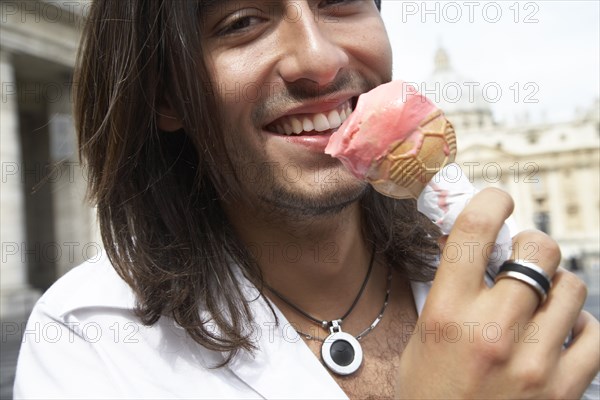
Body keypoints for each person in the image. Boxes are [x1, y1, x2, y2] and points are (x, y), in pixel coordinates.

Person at [14, 0, 599, 398]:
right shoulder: (86, 340)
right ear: (167, 97)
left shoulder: (505, 282)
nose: (321, 60)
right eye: (242, 20)